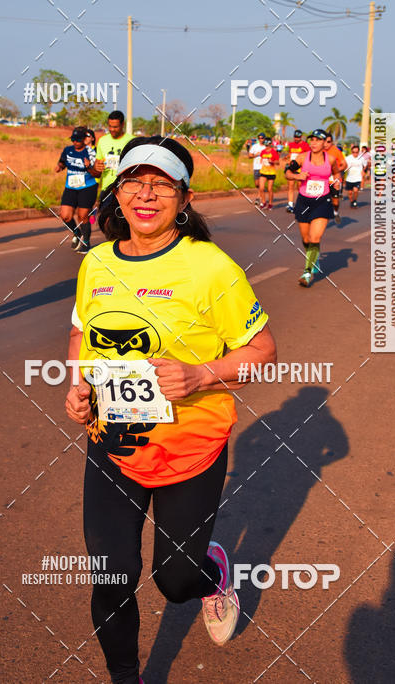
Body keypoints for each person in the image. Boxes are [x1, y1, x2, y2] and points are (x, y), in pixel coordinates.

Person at [65, 135, 276, 684]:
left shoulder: (209, 267)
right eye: (134, 181)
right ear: (117, 192)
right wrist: (77, 385)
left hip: (191, 443)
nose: (146, 194)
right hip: (113, 441)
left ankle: (213, 574)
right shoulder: (97, 263)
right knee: (111, 573)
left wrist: (201, 374)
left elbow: (264, 352)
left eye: (161, 185)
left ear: (184, 200)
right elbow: (81, 333)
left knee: (176, 580)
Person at [285, 128, 343, 287]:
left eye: (318, 140)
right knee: (306, 239)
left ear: (325, 143)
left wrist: (336, 184)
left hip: (322, 201)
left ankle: (307, 272)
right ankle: (314, 257)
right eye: (312, 139)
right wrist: (297, 176)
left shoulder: (330, 159)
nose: (314, 142)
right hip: (304, 201)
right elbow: (287, 172)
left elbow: (337, 174)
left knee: (314, 238)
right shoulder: (302, 157)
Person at [56, 126, 98, 252]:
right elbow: (63, 162)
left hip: (87, 187)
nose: (75, 142)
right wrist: (60, 166)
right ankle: (77, 233)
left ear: (84, 140)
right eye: (73, 139)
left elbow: (96, 173)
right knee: (65, 216)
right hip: (71, 187)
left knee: (83, 215)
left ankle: (86, 241)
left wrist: (89, 166)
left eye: (78, 140)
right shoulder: (68, 150)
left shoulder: (90, 152)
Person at [94, 110, 134, 197]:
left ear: (123, 124)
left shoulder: (132, 141)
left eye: (115, 127)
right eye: (110, 126)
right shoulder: (102, 141)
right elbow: (97, 167)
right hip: (106, 189)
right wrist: (96, 166)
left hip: (126, 190)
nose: (112, 129)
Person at [324, 133, 347, 225]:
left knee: (335, 202)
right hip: (323, 180)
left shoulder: (336, 151)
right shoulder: (319, 150)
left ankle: (336, 212)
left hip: (334, 180)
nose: (326, 144)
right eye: (324, 141)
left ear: (332, 142)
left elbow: (344, 165)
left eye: (328, 142)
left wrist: (335, 170)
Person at [284, 129, 310, 212]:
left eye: (298, 137)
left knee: (300, 187)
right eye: (295, 137)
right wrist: (287, 158)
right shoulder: (291, 144)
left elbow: (308, 155)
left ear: (301, 137)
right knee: (290, 186)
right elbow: (290, 153)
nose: (296, 138)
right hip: (292, 167)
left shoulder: (305, 145)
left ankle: (302, 203)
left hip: (301, 168)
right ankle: (290, 204)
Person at [258, 137, 280, 209]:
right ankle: (263, 202)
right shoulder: (263, 152)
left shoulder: (274, 152)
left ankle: (270, 203)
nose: (267, 146)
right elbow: (261, 160)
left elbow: (278, 162)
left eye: (268, 145)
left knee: (270, 189)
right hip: (263, 171)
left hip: (271, 172)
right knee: (261, 188)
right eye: (265, 145)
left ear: (270, 144)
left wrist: (272, 162)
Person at [248, 132, 266, 204]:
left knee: (261, 185)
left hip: (263, 168)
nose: (260, 139)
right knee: (257, 184)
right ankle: (261, 192)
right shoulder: (255, 146)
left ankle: (258, 197)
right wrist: (256, 155)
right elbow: (249, 156)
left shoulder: (266, 147)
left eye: (262, 138)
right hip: (256, 167)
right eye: (259, 138)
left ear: (264, 139)